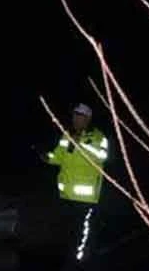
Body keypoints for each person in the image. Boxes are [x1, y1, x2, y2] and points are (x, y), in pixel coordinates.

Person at [44, 103, 109, 262]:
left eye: (79, 117)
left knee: (83, 233)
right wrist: (48, 158)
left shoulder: (98, 137)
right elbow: (58, 157)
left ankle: (80, 265)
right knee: (69, 232)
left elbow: (102, 156)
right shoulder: (67, 136)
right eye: (74, 116)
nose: (75, 119)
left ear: (87, 119)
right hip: (66, 195)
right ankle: (69, 261)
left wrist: (81, 143)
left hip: (86, 198)